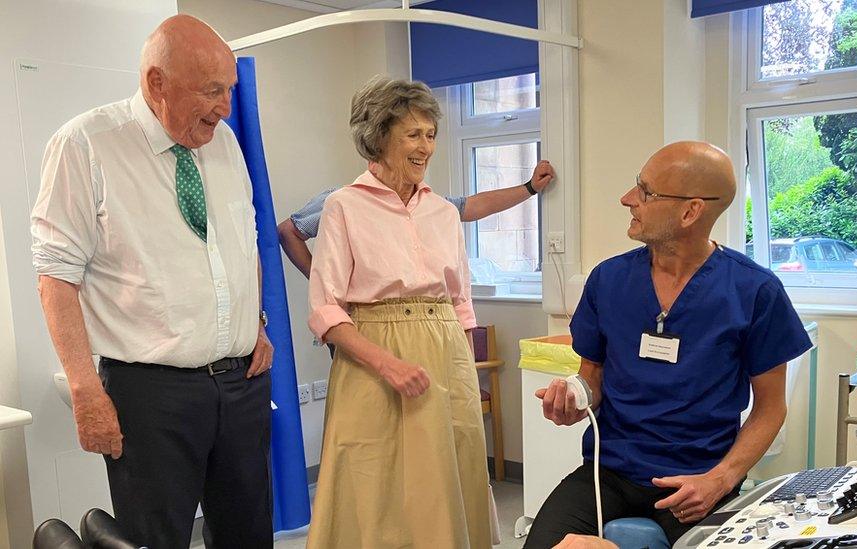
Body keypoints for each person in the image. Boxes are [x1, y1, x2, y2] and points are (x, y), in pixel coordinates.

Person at [31, 15, 273, 549]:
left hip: (239, 384)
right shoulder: (86, 144)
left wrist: (254, 322)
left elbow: (243, 240)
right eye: (211, 91)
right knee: (153, 539)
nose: (224, 107)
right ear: (156, 82)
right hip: (151, 395)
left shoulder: (225, 142)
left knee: (248, 534)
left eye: (229, 90)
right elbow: (55, 275)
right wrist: (85, 389)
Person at [525, 141, 812, 548]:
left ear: (690, 211)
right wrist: (574, 398)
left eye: (645, 192)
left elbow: (770, 408)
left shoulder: (754, 291)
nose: (628, 200)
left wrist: (721, 478)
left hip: (699, 482)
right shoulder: (608, 281)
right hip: (610, 473)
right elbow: (593, 377)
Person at [305, 75, 493, 548]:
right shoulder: (343, 206)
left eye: (431, 135)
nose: (425, 147)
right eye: (413, 134)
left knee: (446, 476)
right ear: (379, 135)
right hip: (374, 352)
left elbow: (460, 302)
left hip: (446, 348)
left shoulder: (444, 213)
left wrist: (465, 368)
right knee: (377, 484)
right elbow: (327, 310)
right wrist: (387, 364)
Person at [278, 162, 555, 278]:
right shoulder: (342, 200)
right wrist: (322, 278)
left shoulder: (425, 204)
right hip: (360, 320)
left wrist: (529, 188)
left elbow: (472, 206)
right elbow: (289, 231)